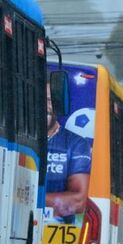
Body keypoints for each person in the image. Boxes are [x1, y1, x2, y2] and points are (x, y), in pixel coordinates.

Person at [45, 84, 91, 225]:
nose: (44, 106)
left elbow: (78, 201)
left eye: (48, 100)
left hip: (56, 228)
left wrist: (28, 198)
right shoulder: (13, 138)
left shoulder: (75, 144)